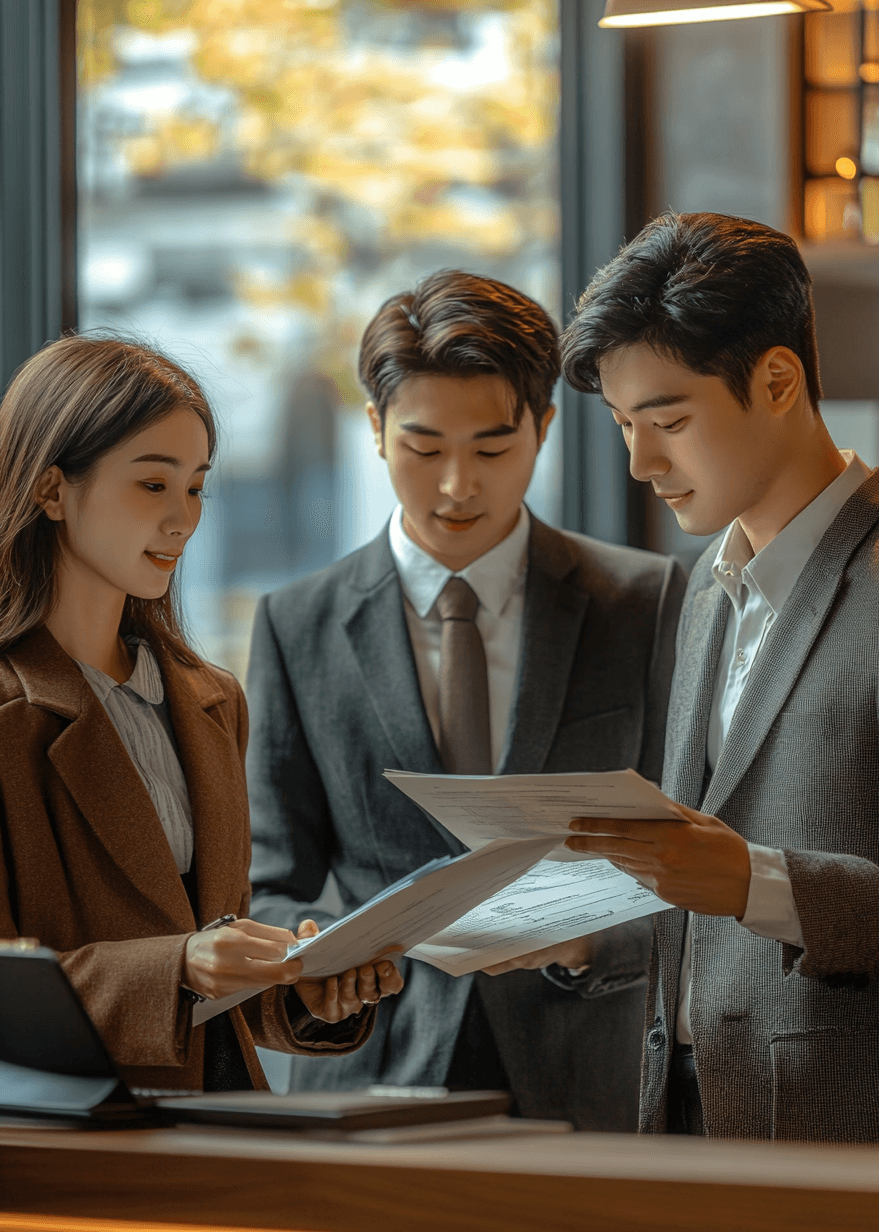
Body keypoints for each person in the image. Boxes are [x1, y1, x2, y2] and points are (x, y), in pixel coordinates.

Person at [246, 269, 686, 1130]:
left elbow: (694, 851)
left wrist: (591, 941)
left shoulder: (643, 599)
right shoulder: (296, 622)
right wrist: (315, 949)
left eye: (491, 450)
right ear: (374, 429)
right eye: (422, 447)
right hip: (373, 1069)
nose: (457, 486)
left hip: (589, 1068)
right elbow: (274, 880)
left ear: (544, 428)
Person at [560, 211, 879, 1145]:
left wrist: (757, 880)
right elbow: (705, 900)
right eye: (622, 426)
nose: (642, 464)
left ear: (776, 380)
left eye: (669, 421)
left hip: (851, 1141)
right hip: (692, 1120)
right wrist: (578, 935)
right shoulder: (708, 591)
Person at [0, 334, 402, 1093]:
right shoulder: (9, 715)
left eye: (196, 486)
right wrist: (179, 965)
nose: (184, 519)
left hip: (221, 1126)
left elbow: (215, 970)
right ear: (52, 491)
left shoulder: (208, 700)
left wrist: (297, 987)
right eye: (153, 485)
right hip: (70, 1146)